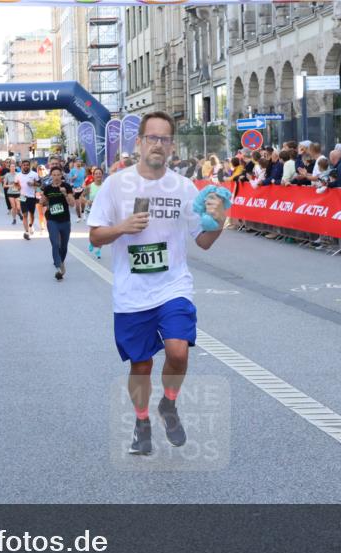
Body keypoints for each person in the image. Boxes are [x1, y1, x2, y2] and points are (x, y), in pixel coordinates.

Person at [88, 111, 230, 456]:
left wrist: (221, 219)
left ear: (171, 146)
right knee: (141, 365)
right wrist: (122, 227)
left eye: (165, 139)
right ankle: (141, 420)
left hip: (173, 286)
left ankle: (168, 404)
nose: (158, 145)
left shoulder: (182, 187)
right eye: (152, 138)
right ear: (139, 143)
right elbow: (95, 234)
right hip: (132, 291)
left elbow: (204, 241)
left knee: (178, 351)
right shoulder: (115, 185)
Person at [38, 165, 76, 281]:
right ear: (51, 176)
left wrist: (64, 194)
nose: (56, 177)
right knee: (55, 244)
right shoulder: (48, 188)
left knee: (63, 246)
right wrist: (44, 202)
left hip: (65, 220)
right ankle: (59, 267)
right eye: (54, 175)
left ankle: (61, 262)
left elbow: (72, 204)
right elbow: (42, 202)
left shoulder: (67, 186)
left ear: (61, 175)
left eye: (58, 175)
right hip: (52, 220)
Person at [83, 166, 106, 259]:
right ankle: (92, 242)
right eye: (96, 174)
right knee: (93, 230)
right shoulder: (89, 186)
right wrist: (87, 201)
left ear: (102, 175)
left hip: (102, 211)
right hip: (91, 211)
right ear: (93, 175)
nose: (98, 175)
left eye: (100, 173)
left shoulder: (106, 186)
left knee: (101, 231)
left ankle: (98, 250)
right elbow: (82, 197)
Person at [16, 159, 40, 240]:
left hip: (32, 197)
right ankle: (26, 232)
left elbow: (39, 184)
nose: (25, 166)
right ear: (21, 166)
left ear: (29, 166)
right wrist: (18, 187)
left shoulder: (34, 174)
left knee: (32, 215)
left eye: (27, 165)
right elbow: (16, 183)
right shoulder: (18, 175)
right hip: (23, 197)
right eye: (24, 165)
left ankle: (30, 226)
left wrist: (33, 183)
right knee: (25, 215)